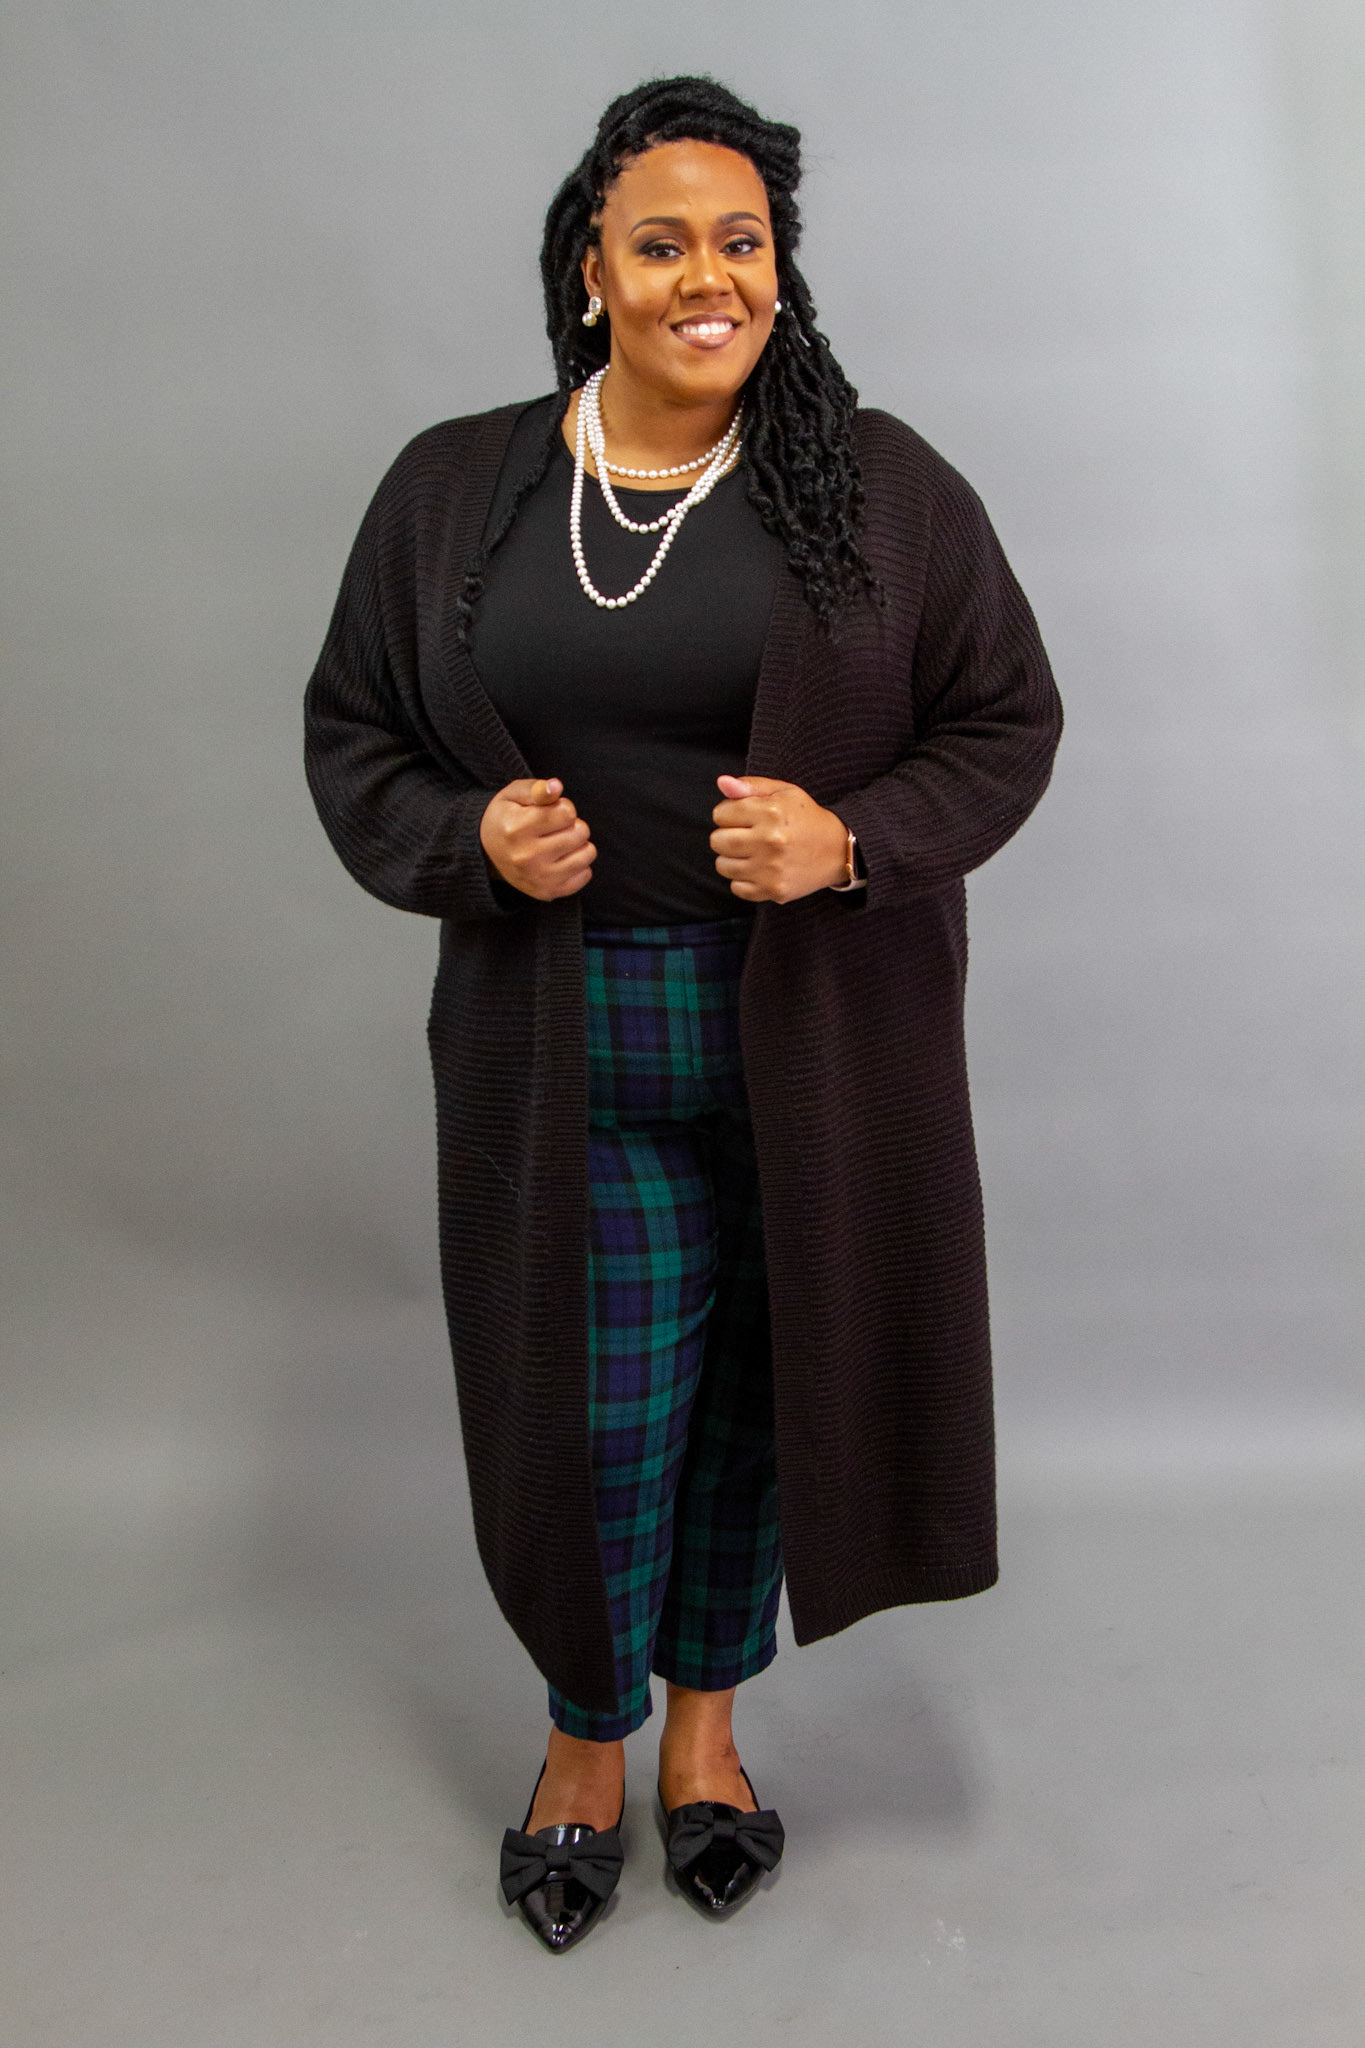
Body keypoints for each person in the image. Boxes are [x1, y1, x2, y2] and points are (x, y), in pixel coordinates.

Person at [304, 74, 1063, 1954]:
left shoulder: (879, 486)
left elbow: (1003, 721)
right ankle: (587, 1736)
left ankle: (706, 1741)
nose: (706, 278)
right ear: (591, 273)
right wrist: (472, 839)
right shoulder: (454, 490)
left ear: (779, 270)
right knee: (596, 1413)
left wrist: (851, 840)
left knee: (760, 1408)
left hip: (818, 1044)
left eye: (743, 242)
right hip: (568, 1046)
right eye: (662, 244)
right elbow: (355, 734)